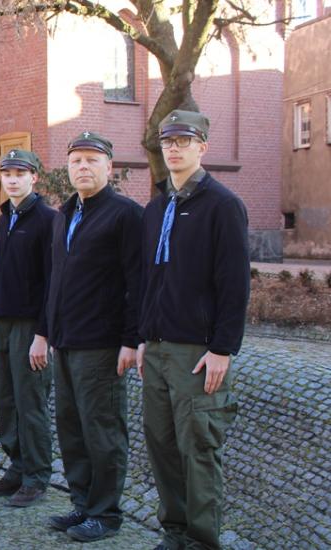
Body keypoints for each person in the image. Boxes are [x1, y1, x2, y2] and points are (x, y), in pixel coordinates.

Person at [138, 110, 248, 550]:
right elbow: (150, 280)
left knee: (198, 449)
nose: (174, 148)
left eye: (185, 140)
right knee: (162, 445)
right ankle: (176, 531)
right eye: (168, 141)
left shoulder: (222, 206)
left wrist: (222, 348)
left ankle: (202, 540)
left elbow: (235, 283)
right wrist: (144, 337)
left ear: (203, 146)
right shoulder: (157, 206)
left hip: (197, 353)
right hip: (159, 349)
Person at [44, 132, 142, 541]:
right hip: (65, 341)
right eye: (76, 161)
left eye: (91, 160)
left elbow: (137, 282)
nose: (82, 167)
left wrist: (130, 339)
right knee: (71, 428)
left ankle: (106, 513)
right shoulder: (66, 213)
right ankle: (82, 504)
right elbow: (57, 278)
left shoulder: (124, 215)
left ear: (109, 167)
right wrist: (48, 332)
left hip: (101, 345)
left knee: (102, 431)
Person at [0, 149, 60, 507]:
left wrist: (44, 335)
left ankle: (36, 476)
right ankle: (16, 466)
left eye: (20, 173)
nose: (12, 179)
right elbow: (0, 277)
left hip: (31, 326)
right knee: (5, 401)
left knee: (31, 403)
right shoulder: (4, 220)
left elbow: (53, 281)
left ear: (34, 177)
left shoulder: (47, 219)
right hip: (3, 323)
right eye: (7, 173)